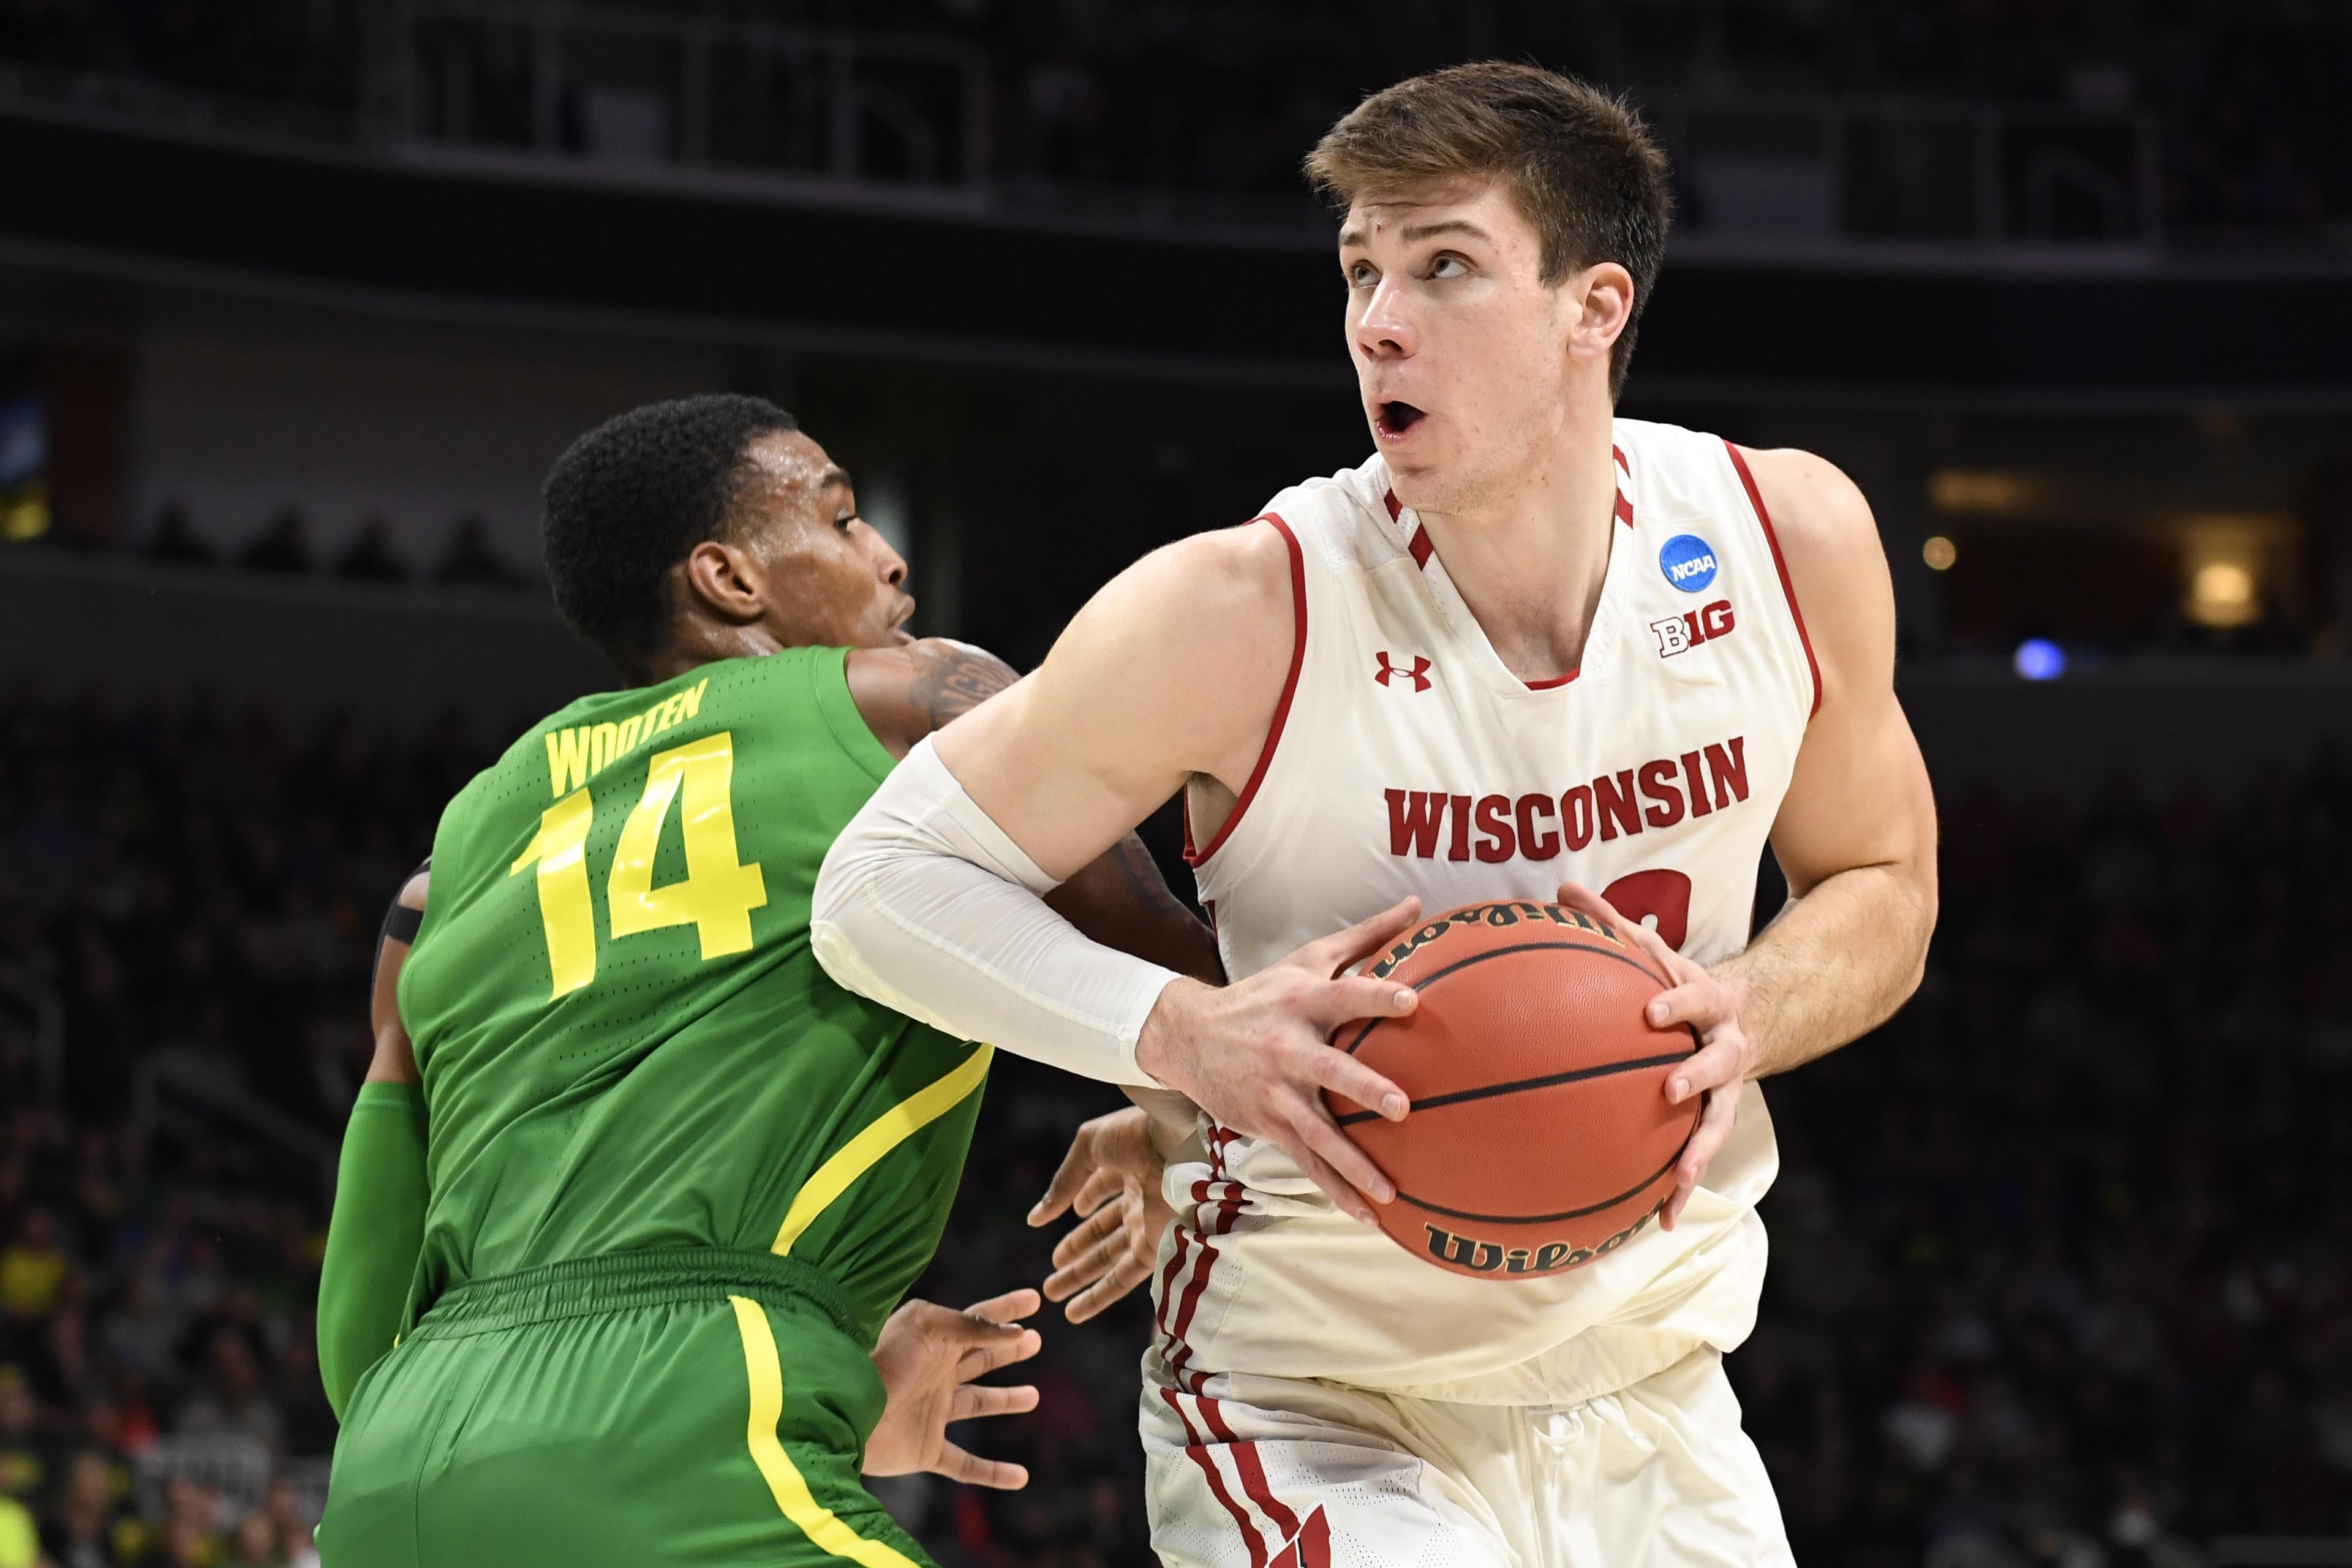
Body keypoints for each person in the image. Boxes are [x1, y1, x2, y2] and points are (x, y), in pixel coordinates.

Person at [810, 62, 1939, 1567]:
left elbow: (1885, 877)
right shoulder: (1243, 605)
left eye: (1444, 265)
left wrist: (1750, 1004)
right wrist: (1177, 1037)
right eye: (1360, 270)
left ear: (1594, 306)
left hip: (1659, 1387)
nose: (1376, 321)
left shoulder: (1788, 537)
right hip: (1319, 1395)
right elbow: (876, 886)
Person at [312, 395, 1221, 1567]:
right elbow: (1202, 1008)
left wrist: (834, 1361)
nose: (888, 559)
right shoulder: (911, 705)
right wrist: (1170, 1137)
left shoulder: (444, 868)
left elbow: (360, 1327)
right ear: (729, 580)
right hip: (688, 1424)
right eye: (843, 520)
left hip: (394, 1473)